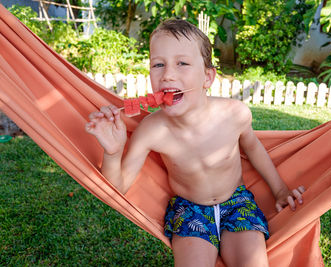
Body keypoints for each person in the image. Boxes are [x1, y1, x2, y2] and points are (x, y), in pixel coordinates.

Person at [85, 19, 305, 267]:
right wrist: (113, 153)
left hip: (237, 203)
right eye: (158, 64)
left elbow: (253, 149)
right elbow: (118, 189)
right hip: (189, 211)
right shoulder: (151, 131)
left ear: (207, 77)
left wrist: (279, 190)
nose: (167, 74)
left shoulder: (235, 114)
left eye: (182, 63)